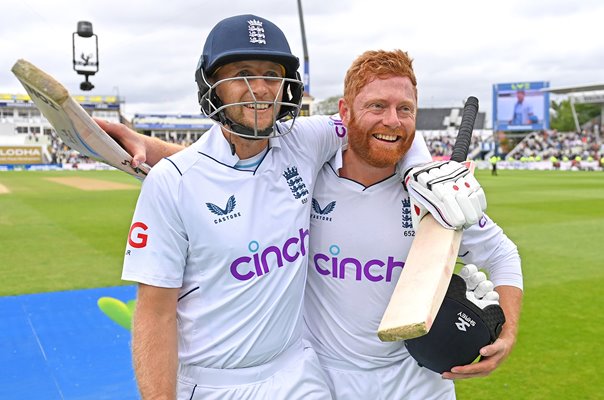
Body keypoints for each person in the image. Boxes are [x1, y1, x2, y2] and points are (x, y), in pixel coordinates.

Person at [100, 30, 500, 400]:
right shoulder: (174, 181)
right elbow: (155, 312)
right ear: (212, 85)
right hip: (212, 381)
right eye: (242, 73)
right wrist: (153, 151)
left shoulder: (304, 141)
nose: (259, 89)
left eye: (271, 75)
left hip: (298, 373)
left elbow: (391, 125)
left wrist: (418, 170)